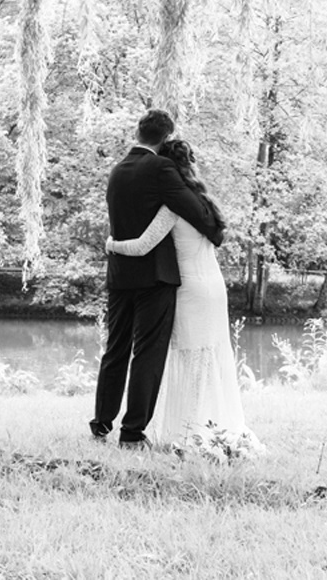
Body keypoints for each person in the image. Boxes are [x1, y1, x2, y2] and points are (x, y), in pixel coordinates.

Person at [106, 139, 260, 455]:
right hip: (214, 287)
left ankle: (190, 428)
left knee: (188, 356)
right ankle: (214, 422)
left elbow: (143, 245)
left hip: (189, 288)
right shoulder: (203, 203)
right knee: (211, 355)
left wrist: (112, 245)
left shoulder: (172, 208)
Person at [91, 110, 224, 449]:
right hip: (154, 278)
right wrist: (214, 229)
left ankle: (101, 425)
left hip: (120, 274)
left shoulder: (117, 171)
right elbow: (194, 209)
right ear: (166, 137)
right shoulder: (162, 168)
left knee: (115, 350)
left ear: (138, 132)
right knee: (148, 355)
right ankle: (132, 433)